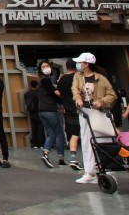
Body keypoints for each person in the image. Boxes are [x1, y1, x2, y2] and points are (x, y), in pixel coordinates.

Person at [71, 52, 116, 184]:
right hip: (85, 111)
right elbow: (75, 90)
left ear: (86, 64)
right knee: (86, 140)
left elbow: (112, 95)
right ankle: (90, 171)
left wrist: (101, 101)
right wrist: (78, 99)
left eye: (80, 62)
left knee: (102, 140)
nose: (78, 64)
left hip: (99, 112)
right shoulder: (78, 77)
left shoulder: (101, 78)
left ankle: (106, 168)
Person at [36, 60, 65, 168]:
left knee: (51, 133)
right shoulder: (46, 80)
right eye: (43, 67)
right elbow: (56, 93)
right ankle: (60, 157)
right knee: (58, 133)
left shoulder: (41, 82)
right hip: (50, 110)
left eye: (47, 66)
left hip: (42, 111)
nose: (46, 68)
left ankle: (46, 153)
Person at [57, 59, 82, 170]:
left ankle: (73, 157)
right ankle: (95, 160)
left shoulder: (62, 79)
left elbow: (59, 93)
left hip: (68, 110)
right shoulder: (78, 77)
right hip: (81, 108)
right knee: (86, 134)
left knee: (73, 134)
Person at [24, 78, 45, 148]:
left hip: (31, 112)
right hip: (38, 112)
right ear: (37, 85)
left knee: (33, 128)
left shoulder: (26, 94)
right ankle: (41, 143)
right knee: (40, 128)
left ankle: (34, 143)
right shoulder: (38, 93)